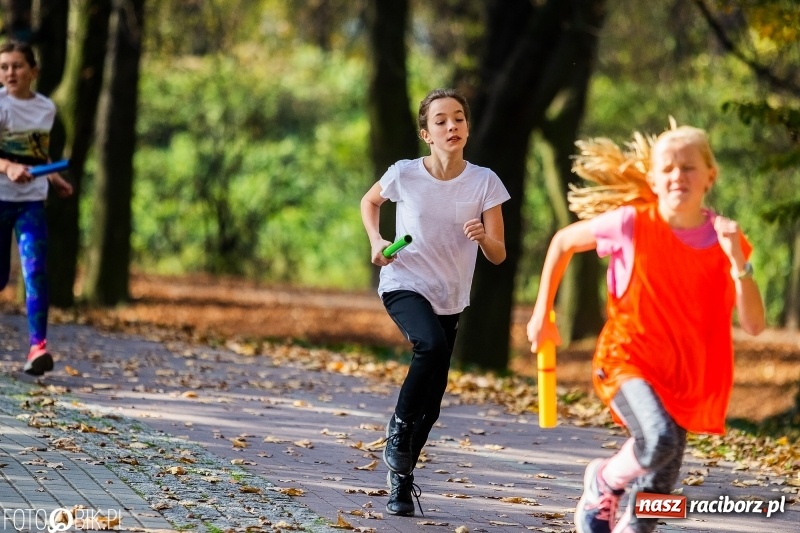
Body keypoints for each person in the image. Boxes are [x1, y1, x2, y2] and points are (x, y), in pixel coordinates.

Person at [526, 122, 765, 533]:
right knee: (660, 441)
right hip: (627, 361)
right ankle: (602, 481)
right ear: (653, 178)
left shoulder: (727, 238)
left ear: (711, 175)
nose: (678, 176)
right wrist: (541, 314)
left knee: (656, 501)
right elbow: (564, 241)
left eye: (689, 167)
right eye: (668, 168)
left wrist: (736, 262)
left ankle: (629, 520)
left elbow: (754, 325)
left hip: (687, 377)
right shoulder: (631, 224)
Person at [360, 88, 510, 517]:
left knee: (434, 400)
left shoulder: (485, 182)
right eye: (441, 120)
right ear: (426, 133)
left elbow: (499, 254)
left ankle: (400, 481)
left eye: (459, 118)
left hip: (450, 297)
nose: (452, 126)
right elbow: (370, 202)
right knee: (431, 345)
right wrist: (377, 240)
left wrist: (485, 239)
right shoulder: (405, 174)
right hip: (404, 281)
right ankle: (398, 430)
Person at [0, 41, 73, 376]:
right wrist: (7, 167)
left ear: (33, 71)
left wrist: (54, 177)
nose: (10, 73)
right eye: (4, 67)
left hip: (31, 200)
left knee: (35, 271)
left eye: (16, 66)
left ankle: (37, 348)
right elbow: (11, 160)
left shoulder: (46, 108)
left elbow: (35, 152)